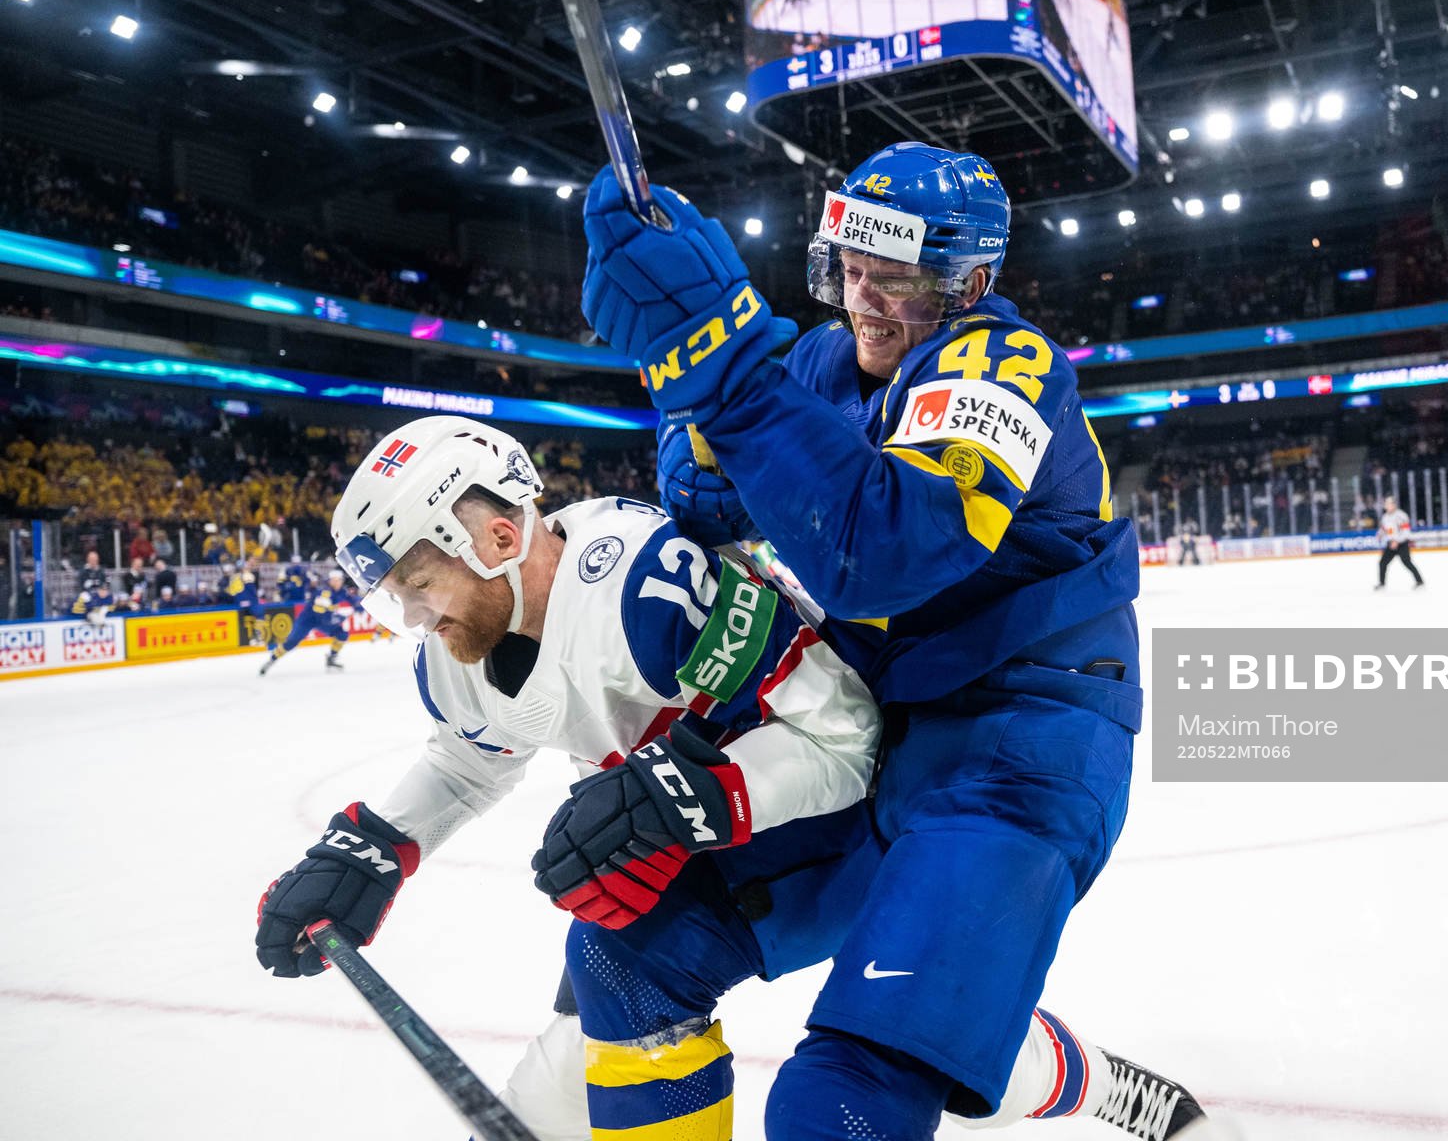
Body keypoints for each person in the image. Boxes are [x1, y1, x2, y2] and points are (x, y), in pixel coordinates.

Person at [253, 416, 1179, 1141]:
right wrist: (375, 842)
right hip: (721, 833)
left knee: (911, 1044)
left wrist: (689, 795)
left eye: (419, 582)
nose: (412, 616)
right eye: (394, 595)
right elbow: (472, 749)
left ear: (497, 536)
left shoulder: (649, 592)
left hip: (854, 818)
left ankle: (1084, 1078)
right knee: (615, 967)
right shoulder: (457, 649)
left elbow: (846, 735)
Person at [580, 142, 1198, 1138]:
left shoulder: (1010, 367)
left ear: (974, 281)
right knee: (626, 951)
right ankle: (1008, 1033)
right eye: (845, 268)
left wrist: (729, 377)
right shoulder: (825, 359)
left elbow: (886, 549)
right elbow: (709, 499)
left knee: (844, 1100)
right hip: (871, 720)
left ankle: (978, 1023)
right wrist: (679, 361)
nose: (862, 299)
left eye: (896, 276)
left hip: (1019, 744)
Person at [258, 566, 355, 673]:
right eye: (335, 580)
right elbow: (323, 615)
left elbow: (352, 600)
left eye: (339, 580)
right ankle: (272, 659)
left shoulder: (342, 591)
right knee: (291, 642)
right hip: (307, 619)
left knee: (342, 634)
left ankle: (331, 659)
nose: (337, 583)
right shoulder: (325, 591)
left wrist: (361, 605)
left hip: (322, 619)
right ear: (330, 580)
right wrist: (341, 617)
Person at [1374, 495, 1424, 590]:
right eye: (1386, 504)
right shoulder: (1385, 517)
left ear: (1394, 505)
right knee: (1382, 563)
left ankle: (1420, 581)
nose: (1387, 506)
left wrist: (1397, 541)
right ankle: (1381, 583)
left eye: (1389, 504)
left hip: (1402, 543)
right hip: (1391, 543)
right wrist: (1380, 534)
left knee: (1406, 562)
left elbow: (1406, 532)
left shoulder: (1401, 516)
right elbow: (1384, 529)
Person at [71, 550, 113, 623]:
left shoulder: (101, 571)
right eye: (92, 560)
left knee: (108, 597)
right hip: (86, 593)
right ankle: (89, 615)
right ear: (88, 560)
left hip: (99, 594)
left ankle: (99, 615)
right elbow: (79, 586)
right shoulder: (83, 572)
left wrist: (104, 590)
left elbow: (106, 583)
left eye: (95, 560)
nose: (94, 561)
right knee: (86, 597)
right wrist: (90, 592)